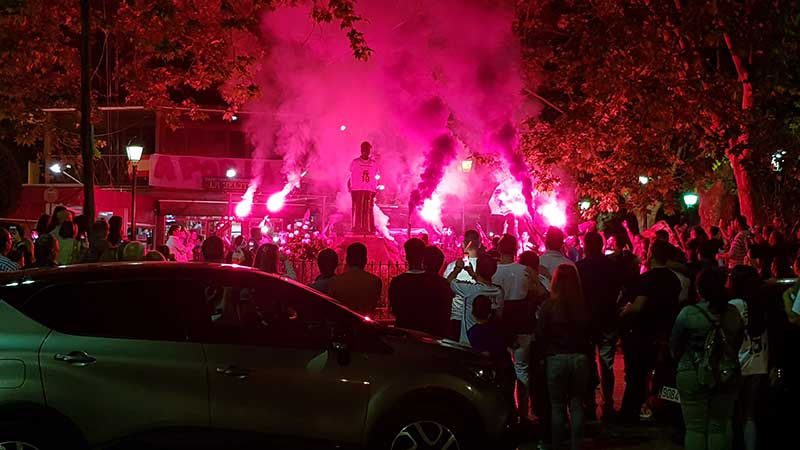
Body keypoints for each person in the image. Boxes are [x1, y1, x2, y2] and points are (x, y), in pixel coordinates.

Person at [670, 269, 745, 450]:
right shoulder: (733, 313)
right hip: (725, 373)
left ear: (699, 289)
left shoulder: (688, 313)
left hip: (691, 371)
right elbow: (738, 342)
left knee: (695, 428)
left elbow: (674, 345)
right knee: (718, 427)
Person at [619, 240, 682, 423]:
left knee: (637, 375)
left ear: (651, 256)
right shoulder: (673, 279)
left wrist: (624, 313)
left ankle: (631, 414)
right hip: (666, 331)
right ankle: (666, 412)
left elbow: (638, 306)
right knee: (664, 376)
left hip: (645, 332)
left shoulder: (647, 279)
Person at [537, 264, 592, 450]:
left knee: (557, 406)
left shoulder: (549, 305)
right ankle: (577, 445)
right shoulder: (583, 304)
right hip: (579, 358)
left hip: (556, 358)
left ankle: (557, 444)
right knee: (576, 404)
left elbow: (541, 333)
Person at [576, 231, 623, 420]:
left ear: (586, 246)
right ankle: (609, 403)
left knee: (587, 362)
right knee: (607, 363)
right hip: (608, 317)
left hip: (587, 319)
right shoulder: (614, 266)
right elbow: (621, 289)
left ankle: (589, 403)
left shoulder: (580, 267)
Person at [492, 234, 534, 417]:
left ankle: (506, 412)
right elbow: (533, 295)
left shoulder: (493, 271)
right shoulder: (524, 270)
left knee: (500, 370)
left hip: (501, 323)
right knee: (522, 369)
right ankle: (524, 414)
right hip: (522, 323)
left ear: (500, 249)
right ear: (516, 249)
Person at [727, 265, 767, 450]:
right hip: (759, 361)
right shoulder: (763, 303)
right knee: (750, 415)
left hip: (737, 363)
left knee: (729, 412)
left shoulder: (735, 305)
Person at [389, 239, 451, 337]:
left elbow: (394, 310)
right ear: (423, 257)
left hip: (405, 335)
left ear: (406, 257)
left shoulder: (397, 282)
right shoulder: (438, 282)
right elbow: (445, 312)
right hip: (431, 335)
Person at [468, 295, 516, 401]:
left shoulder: (473, 332)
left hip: (491, 373)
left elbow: (482, 354)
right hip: (506, 369)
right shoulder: (500, 327)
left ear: (473, 312)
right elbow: (512, 343)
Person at [448, 255, 503, 346]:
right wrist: (473, 273)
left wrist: (457, 269)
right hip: (490, 341)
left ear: (478, 269)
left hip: (468, 343)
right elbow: (484, 284)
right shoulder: (499, 291)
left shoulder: (470, 290)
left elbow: (450, 281)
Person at [444, 230, 482, 340]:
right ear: (479, 245)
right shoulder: (484, 266)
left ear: (463, 244)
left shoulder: (452, 267)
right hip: (478, 319)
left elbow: (446, 290)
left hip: (457, 317)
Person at [328, 243, 382, 316]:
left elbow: (331, 307)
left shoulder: (335, 281)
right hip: (365, 325)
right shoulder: (375, 281)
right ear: (365, 260)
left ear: (347, 260)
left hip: (343, 323)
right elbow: (373, 305)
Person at [348, 141, 379, 234]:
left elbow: (375, 176)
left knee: (368, 209)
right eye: (364, 149)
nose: (366, 152)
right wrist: (351, 186)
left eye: (368, 150)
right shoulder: (355, 162)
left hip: (369, 189)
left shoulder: (373, 163)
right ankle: (357, 227)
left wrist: (375, 188)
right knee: (357, 209)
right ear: (361, 150)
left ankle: (368, 228)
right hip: (357, 189)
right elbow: (351, 174)